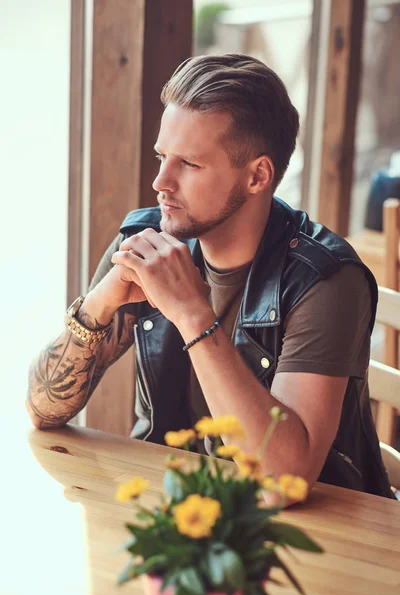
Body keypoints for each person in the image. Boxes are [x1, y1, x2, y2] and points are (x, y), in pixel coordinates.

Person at [26, 54, 394, 500]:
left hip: (314, 542)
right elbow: (43, 410)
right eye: (162, 156)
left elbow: (285, 483)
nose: (161, 181)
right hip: (178, 510)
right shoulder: (147, 243)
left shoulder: (325, 280)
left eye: (190, 164)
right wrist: (99, 305)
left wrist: (192, 313)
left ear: (258, 174)